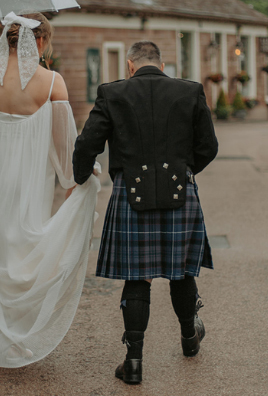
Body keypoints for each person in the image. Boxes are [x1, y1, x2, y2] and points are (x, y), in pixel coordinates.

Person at [0, 12, 101, 368]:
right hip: (27, 180)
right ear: (39, 42)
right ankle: (19, 333)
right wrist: (75, 182)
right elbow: (65, 145)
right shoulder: (52, 83)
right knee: (24, 251)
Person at [72, 40, 218, 385]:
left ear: (129, 65)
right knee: (181, 270)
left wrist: (80, 178)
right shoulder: (190, 91)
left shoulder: (112, 93)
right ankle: (188, 338)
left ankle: (133, 362)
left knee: (137, 277)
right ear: (161, 65)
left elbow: (87, 144)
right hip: (180, 193)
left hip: (129, 194)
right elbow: (208, 146)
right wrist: (183, 172)